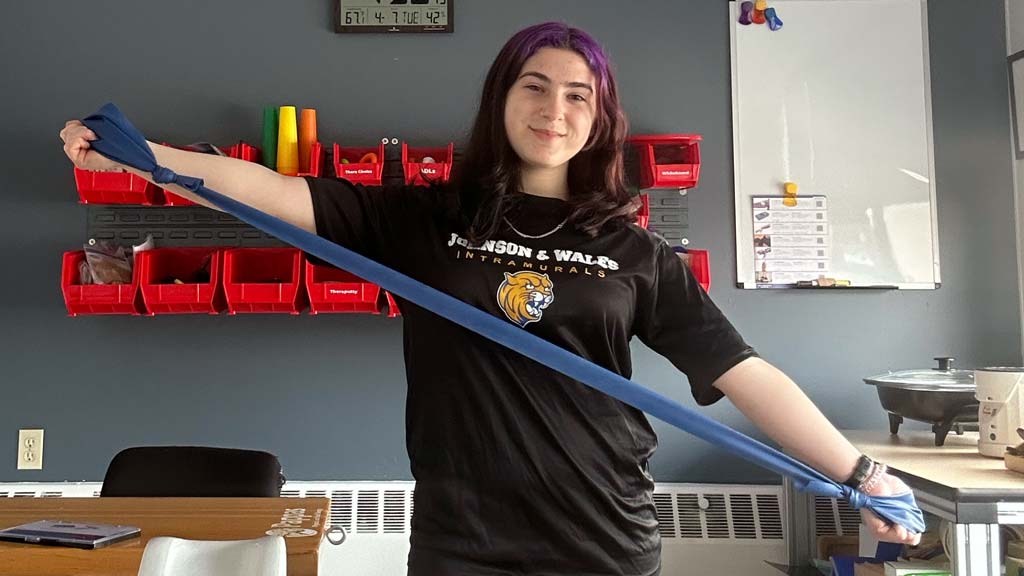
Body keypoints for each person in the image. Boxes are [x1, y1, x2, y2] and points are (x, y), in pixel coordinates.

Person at [60, 21, 919, 576]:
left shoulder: (632, 250)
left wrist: (862, 472)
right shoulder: (425, 216)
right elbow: (272, 190)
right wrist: (140, 157)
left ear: (599, 117)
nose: (555, 108)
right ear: (501, 97)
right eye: (535, 86)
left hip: (602, 538)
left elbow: (743, 370)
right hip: (460, 539)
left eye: (577, 95)